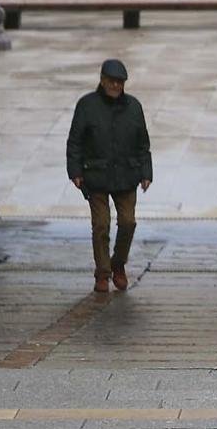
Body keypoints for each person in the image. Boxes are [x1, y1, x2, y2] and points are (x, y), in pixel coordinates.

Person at [65, 59, 152, 293]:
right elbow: (75, 142)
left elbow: (143, 143)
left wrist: (146, 172)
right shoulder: (87, 105)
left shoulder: (134, 107)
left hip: (126, 175)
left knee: (128, 222)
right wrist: (75, 171)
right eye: (111, 81)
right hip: (96, 176)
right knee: (101, 225)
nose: (115, 85)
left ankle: (118, 264)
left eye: (119, 82)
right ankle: (103, 273)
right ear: (102, 80)